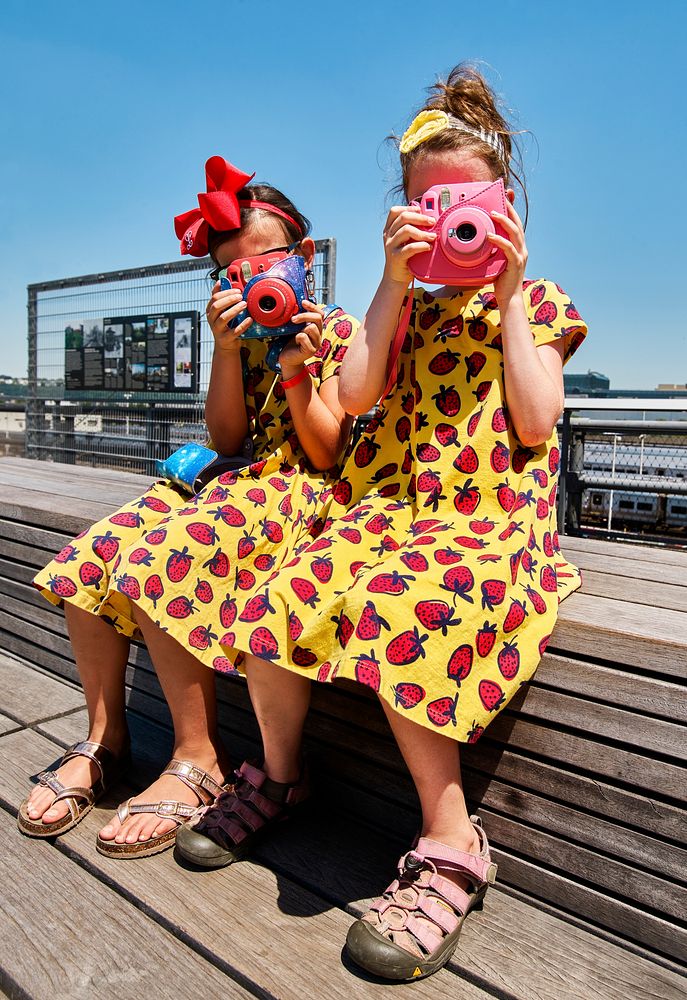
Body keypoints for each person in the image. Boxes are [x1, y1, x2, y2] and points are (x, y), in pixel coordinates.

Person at [175, 66, 588, 982]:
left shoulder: (540, 303)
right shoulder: (395, 310)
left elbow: (533, 421)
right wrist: (395, 281)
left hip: (487, 522)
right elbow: (354, 392)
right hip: (391, 510)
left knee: (408, 601)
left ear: (505, 202)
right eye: (421, 204)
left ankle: (452, 839)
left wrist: (512, 288)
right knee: (284, 589)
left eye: (462, 202)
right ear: (397, 211)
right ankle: (281, 774)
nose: (445, 219)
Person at [20, 155, 357, 859]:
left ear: (301, 259)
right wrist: (226, 349)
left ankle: (199, 757)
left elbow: (326, 452)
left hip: (299, 487)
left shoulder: (339, 333)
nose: (251, 280)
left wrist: (295, 354)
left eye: (265, 262)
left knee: (160, 556)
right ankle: (104, 738)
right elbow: (226, 436)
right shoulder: (236, 341)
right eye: (232, 273)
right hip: (235, 477)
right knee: (93, 558)